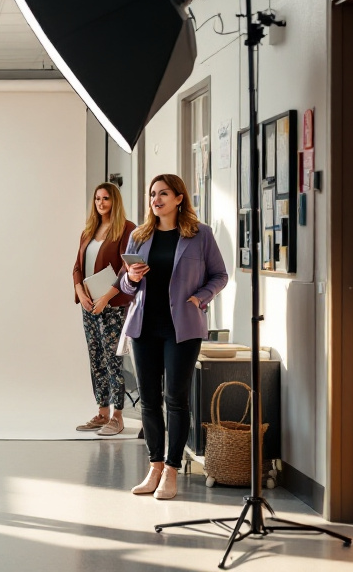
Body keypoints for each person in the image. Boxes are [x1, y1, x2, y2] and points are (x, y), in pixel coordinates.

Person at [119, 174, 228, 500]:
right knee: (149, 400)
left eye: (163, 193)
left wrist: (200, 298)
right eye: (153, 194)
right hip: (144, 327)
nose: (156, 199)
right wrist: (131, 277)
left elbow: (220, 275)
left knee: (176, 399)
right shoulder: (139, 236)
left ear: (179, 198)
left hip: (182, 328)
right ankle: (154, 467)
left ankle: (171, 469)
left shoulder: (200, 235)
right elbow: (125, 286)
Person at [72, 182, 137, 437]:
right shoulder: (88, 231)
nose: (101, 203)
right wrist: (81, 293)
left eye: (106, 198)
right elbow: (77, 267)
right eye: (97, 199)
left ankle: (118, 416)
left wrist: (106, 298)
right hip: (89, 304)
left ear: (114, 201)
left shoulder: (126, 229)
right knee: (96, 358)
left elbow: (125, 268)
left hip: (112, 305)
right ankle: (102, 413)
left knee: (113, 360)